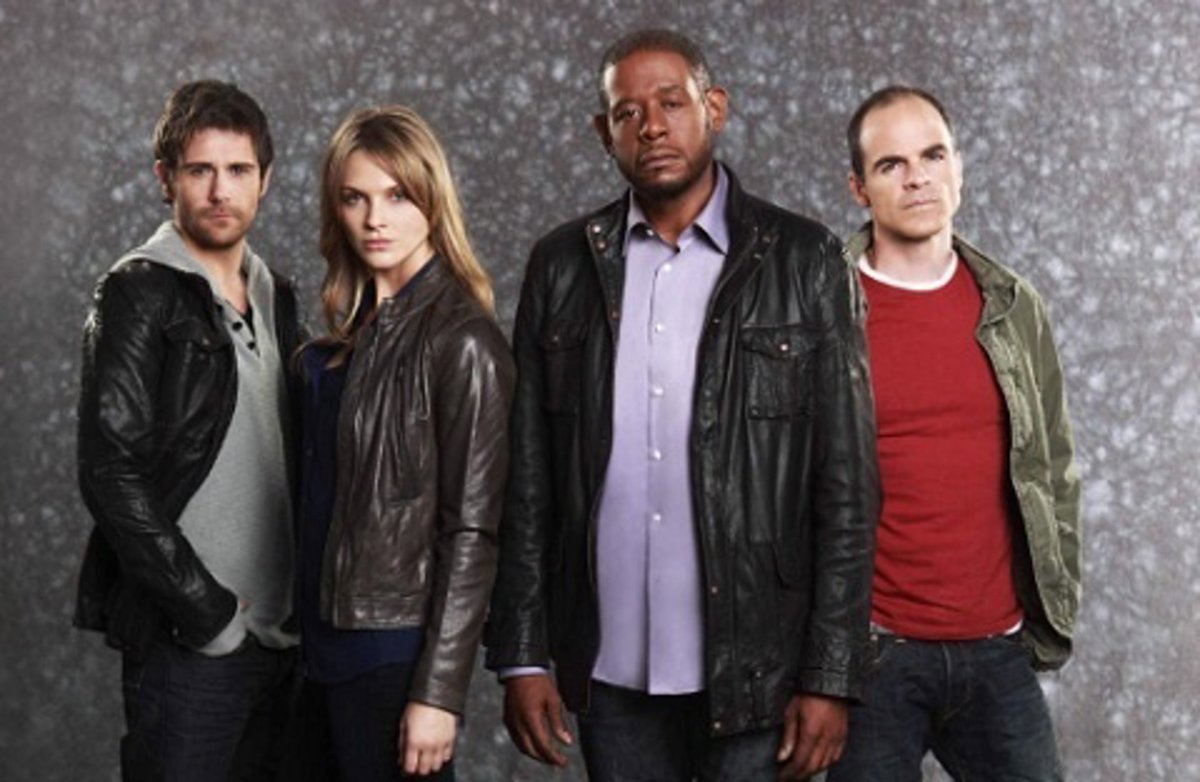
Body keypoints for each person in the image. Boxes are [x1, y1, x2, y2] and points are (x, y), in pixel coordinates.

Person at [485, 29, 879, 782]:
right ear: (604, 133)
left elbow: (848, 488)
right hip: (610, 670)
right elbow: (529, 479)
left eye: (671, 103)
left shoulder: (805, 260)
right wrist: (522, 655)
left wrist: (831, 674)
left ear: (714, 108)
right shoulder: (562, 267)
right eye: (627, 113)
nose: (652, 127)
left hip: (762, 669)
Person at [827, 85, 1081, 781]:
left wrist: (1053, 600)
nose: (917, 178)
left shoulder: (1013, 305)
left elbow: (1054, 465)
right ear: (859, 188)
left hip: (998, 650)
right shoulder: (823, 310)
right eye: (891, 164)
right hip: (874, 654)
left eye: (933, 155)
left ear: (958, 168)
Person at [74, 80, 302, 780]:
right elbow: (110, 471)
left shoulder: (277, 293)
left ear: (265, 180)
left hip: (283, 640)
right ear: (165, 179)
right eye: (200, 170)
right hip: (192, 644)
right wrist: (207, 614)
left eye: (238, 170)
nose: (219, 191)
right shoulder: (138, 290)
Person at [296, 105, 514, 781]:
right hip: (314, 649)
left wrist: (439, 692)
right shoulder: (342, 343)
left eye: (396, 196)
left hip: (391, 654)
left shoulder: (463, 342)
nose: (374, 219)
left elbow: (472, 531)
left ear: (431, 201)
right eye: (354, 198)